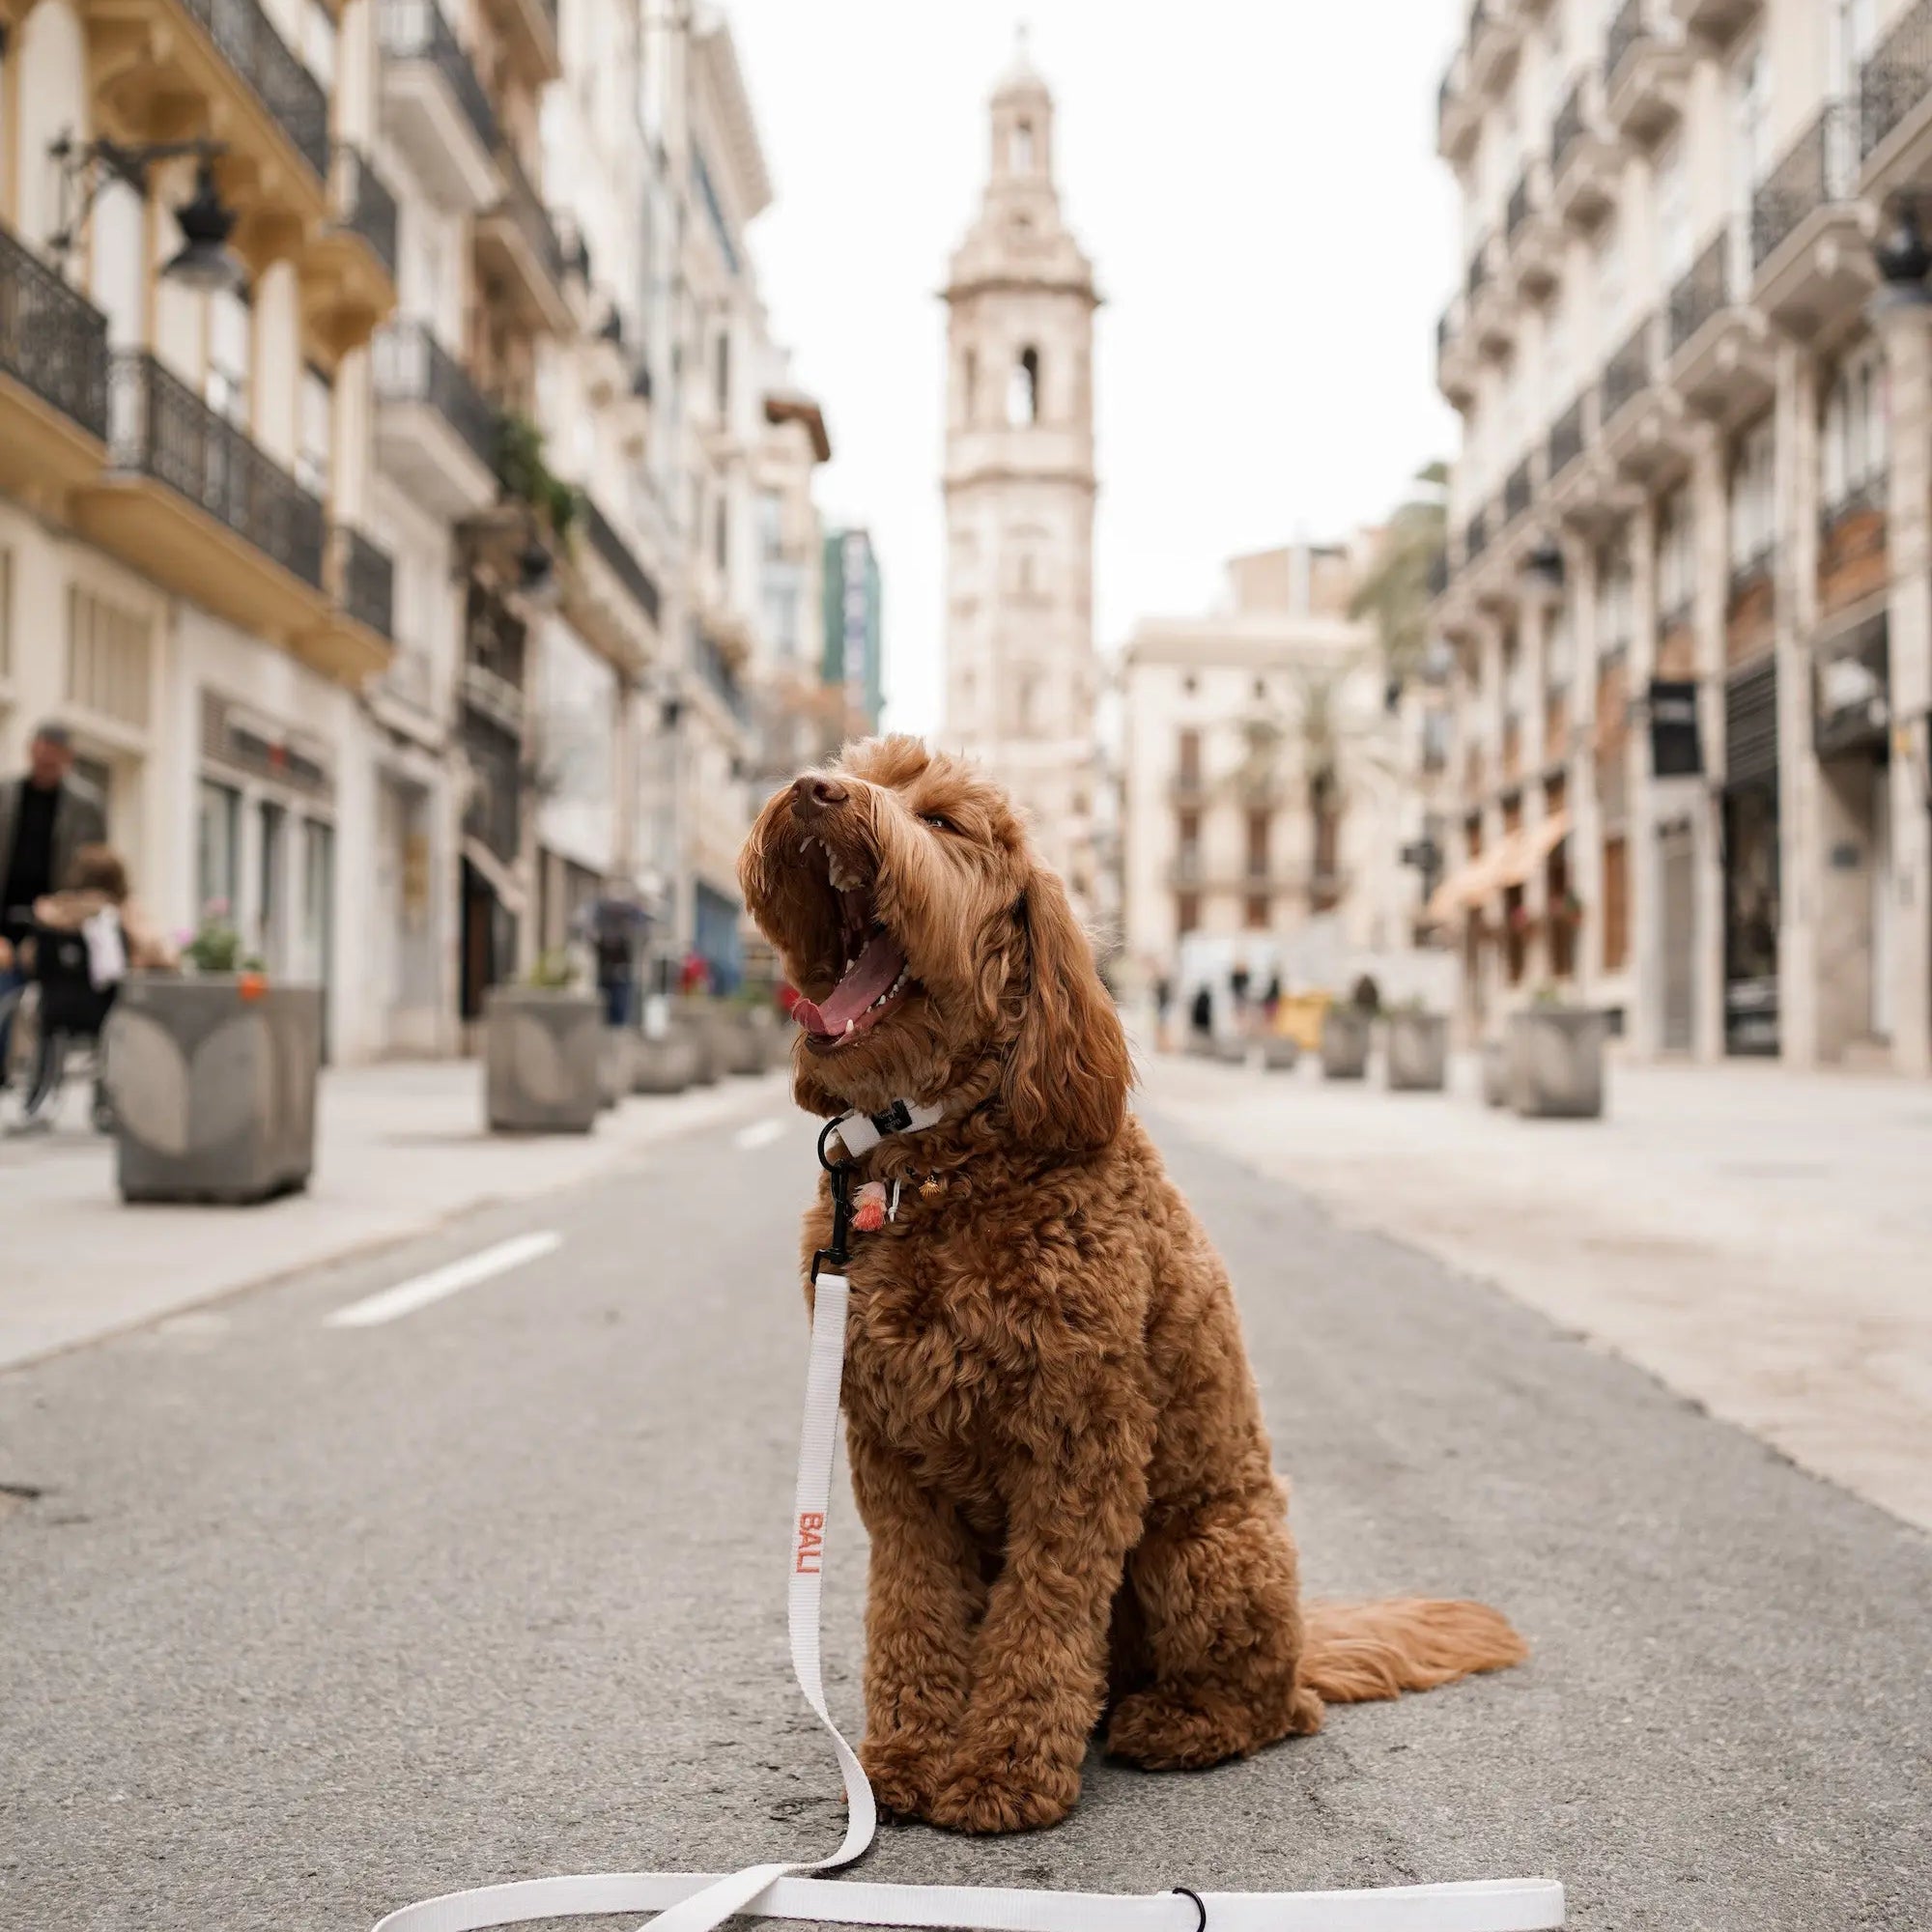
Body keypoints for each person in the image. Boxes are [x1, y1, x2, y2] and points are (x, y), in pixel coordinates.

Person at [0, 724, 106, 1078]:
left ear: (67, 758)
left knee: (49, 1007)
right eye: (39, 750)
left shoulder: (86, 806)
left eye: (53, 753)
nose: (44, 759)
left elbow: (94, 872)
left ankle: (42, 1076)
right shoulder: (6, 794)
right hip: (5, 918)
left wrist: (65, 914)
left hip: (57, 923)